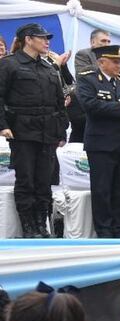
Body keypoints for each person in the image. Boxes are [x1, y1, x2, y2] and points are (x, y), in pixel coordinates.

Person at [0, 23, 69, 238]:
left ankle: (42, 224)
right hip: (22, 131)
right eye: (42, 37)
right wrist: (3, 125)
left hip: (47, 132)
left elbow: (59, 103)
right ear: (28, 39)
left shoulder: (49, 67)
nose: (47, 41)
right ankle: (29, 227)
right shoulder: (9, 64)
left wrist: (60, 130)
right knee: (26, 180)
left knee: (44, 182)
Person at [76, 45, 120, 238]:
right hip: (101, 143)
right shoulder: (88, 80)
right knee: (102, 189)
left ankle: (118, 228)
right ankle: (104, 230)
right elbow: (91, 106)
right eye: (114, 61)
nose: (118, 65)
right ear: (101, 62)